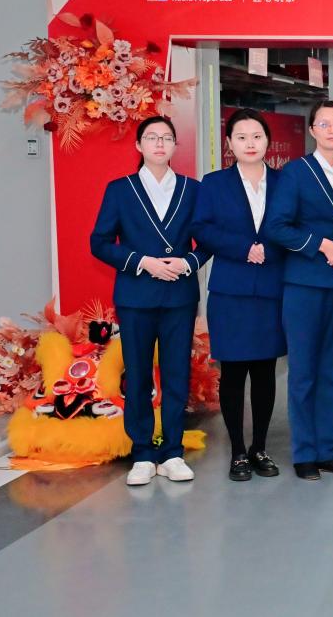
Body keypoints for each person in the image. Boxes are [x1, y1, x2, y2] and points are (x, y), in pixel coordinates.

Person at [90, 115, 207, 486]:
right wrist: (141, 262)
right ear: (138, 145)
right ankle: (142, 452)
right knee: (138, 374)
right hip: (136, 295)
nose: (159, 144)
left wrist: (187, 263)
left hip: (178, 296)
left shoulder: (192, 189)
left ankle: (172, 451)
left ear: (174, 145)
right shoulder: (120, 190)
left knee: (176, 374)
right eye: (152, 138)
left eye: (167, 138)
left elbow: (208, 241)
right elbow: (99, 242)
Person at [265, 100, 333, 480]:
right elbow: (277, 226)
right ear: (312, 131)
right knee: (304, 371)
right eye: (324, 124)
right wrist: (322, 245)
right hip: (306, 282)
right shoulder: (296, 172)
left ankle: (327, 450)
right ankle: (305, 453)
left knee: (332, 372)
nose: (332, 130)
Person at [191, 109, 285, 482]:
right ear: (229, 142)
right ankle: (237, 452)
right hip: (231, 291)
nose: (250, 143)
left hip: (272, 289)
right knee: (232, 371)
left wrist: (269, 250)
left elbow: (295, 227)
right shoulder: (214, 184)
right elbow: (202, 228)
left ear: (267, 141)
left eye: (257, 136)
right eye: (241, 137)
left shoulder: (284, 182)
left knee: (265, 372)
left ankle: (260, 447)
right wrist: (244, 248)